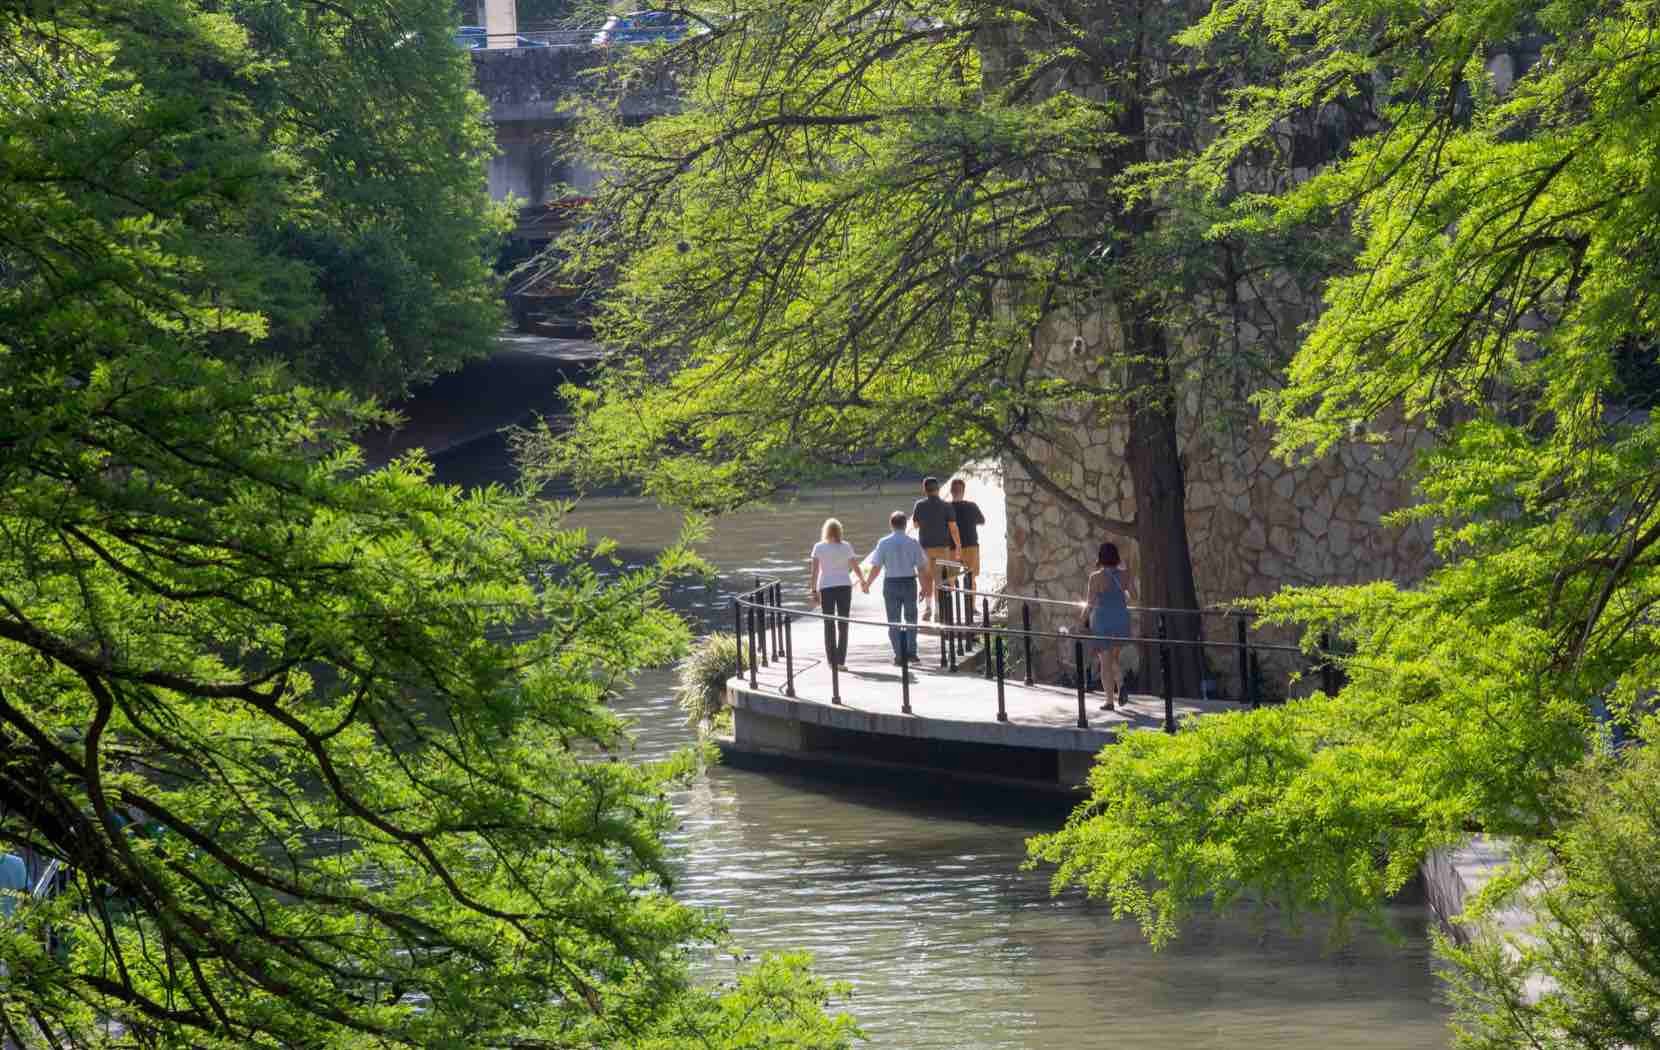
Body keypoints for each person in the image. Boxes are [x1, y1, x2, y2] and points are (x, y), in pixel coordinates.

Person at [861, 510, 928, 669]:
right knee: (911, 619)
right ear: (906, 524)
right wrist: (924, 587)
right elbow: (921, 567)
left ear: (891, 524)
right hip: (909, 582)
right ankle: (912, 653)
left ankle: (899, 655)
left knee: (893, 620)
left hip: (891, 582)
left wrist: (868, 583)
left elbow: (876, 567)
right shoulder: (913, 542)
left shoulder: (883, 542)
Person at [1082, 542, 1135, 710]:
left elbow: (1090, 604)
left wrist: (1081, 620)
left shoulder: (1095, 577)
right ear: (1116, 557)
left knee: (1105, 662)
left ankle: (1111, 699)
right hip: (1121, 620)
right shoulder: (1125, 575)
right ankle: (1120, 687)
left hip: (1103, 621)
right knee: (1112, 658)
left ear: (1101, 557)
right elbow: (1134, 596)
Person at [808, 517, 864, 669]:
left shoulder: (818, 547)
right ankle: (841, 660)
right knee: (843, 624)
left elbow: (814, 572)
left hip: (826, 587)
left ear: (825, 531)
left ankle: (832, 661)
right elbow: (855, 567)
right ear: (840, 531)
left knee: (829, 623)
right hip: (844, 586)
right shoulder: (846, 546)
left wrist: (813, 590)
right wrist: (863, 581)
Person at [909, 476, 960, 622]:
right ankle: (938, 612)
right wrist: (957, 545)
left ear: (925, 489)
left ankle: (928, 608)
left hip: (924, 548)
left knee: (926, 579)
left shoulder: (919, 505)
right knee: (940, 580)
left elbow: (916, 525)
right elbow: (953, 528)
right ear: (938, 489)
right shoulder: (946, 506)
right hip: (942, 548)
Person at [947, 477, 987, 620]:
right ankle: (972, 608)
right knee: (971, 577)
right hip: (971, 545)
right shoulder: (972, 506)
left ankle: (947, 608)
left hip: (952, 547)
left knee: (950, 578)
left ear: (951, 491)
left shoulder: (946, 507)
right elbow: (982, 521)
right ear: (963, 491)